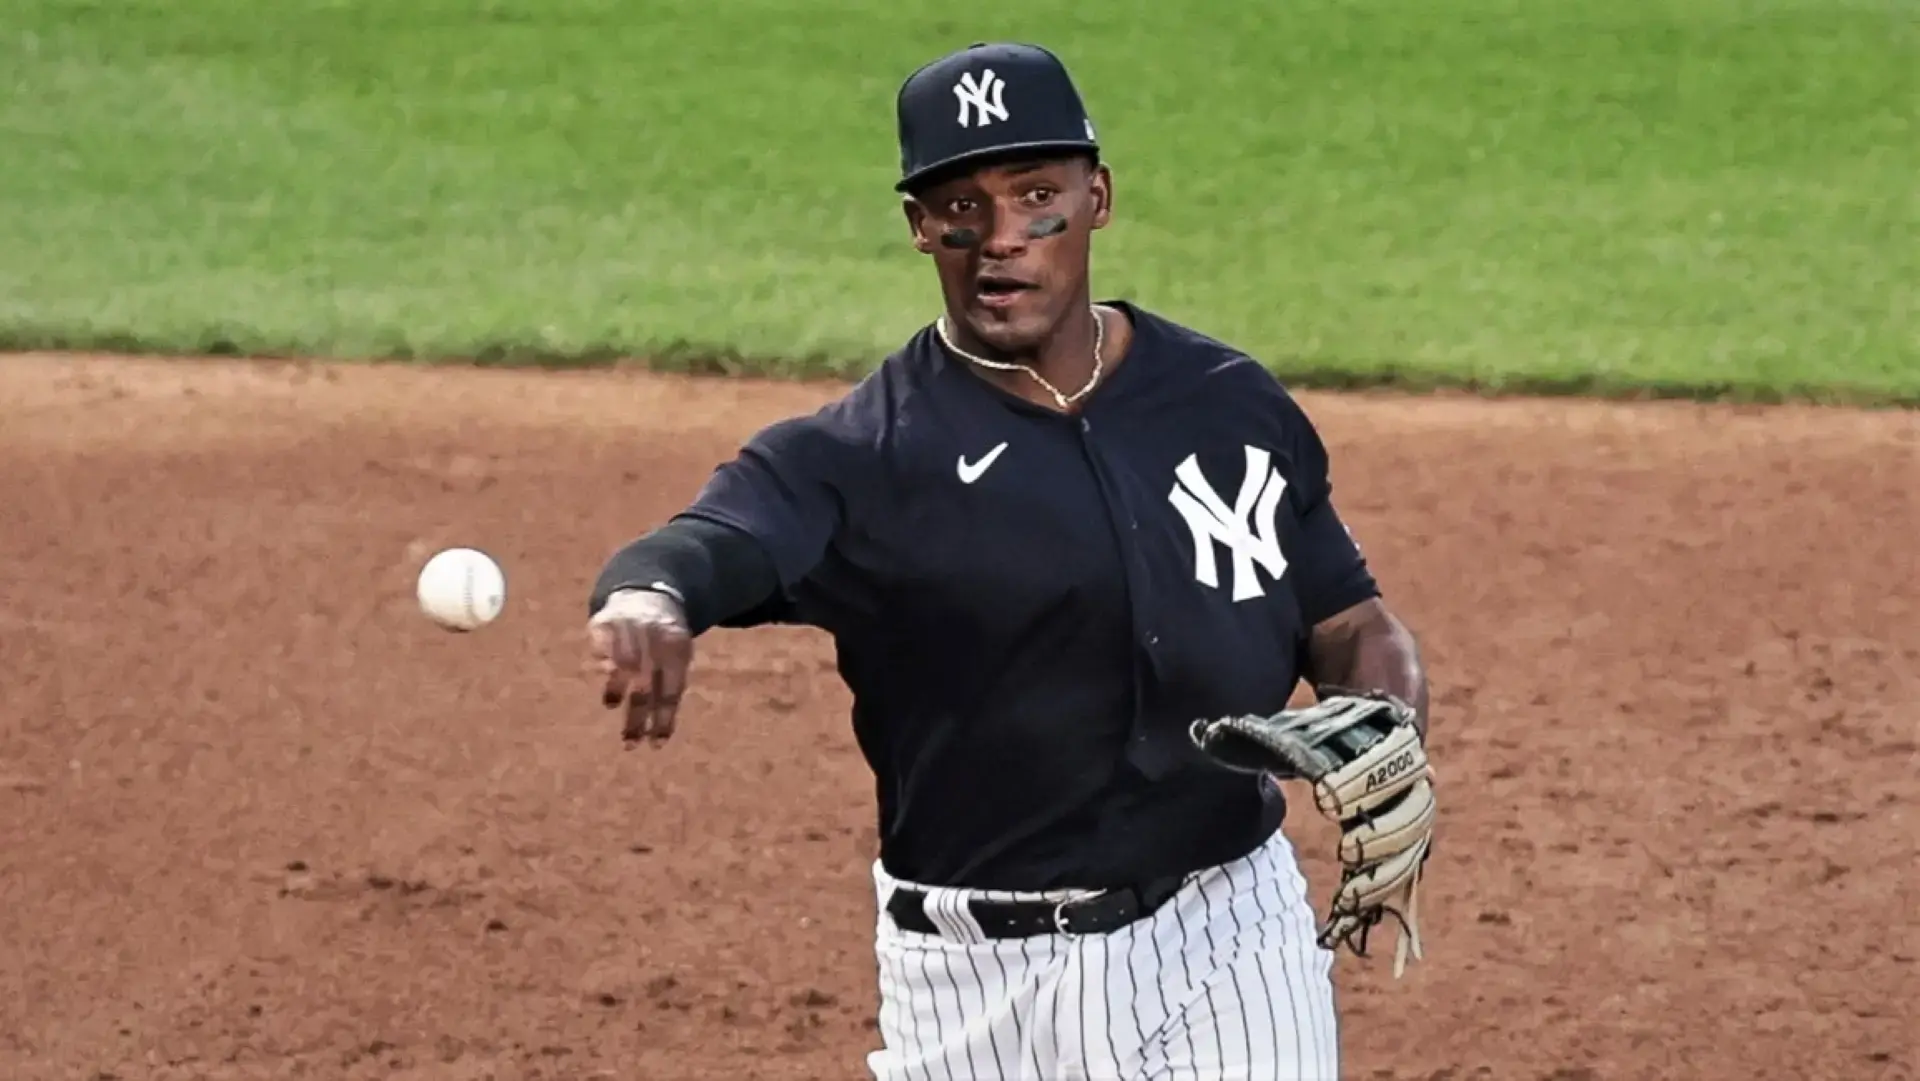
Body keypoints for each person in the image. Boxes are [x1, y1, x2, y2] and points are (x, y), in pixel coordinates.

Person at [585, 41, 1433, 1081]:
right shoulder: (867, 455)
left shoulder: (1228, 402)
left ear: (1099, 197)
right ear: (918, 227)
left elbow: (1347, 619)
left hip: (1226, 933)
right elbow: (719, 539)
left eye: (1037, 197)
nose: (1000, 243)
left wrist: (1389, 720)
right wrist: (650, 593)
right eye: (960, 209)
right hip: (972, 984)